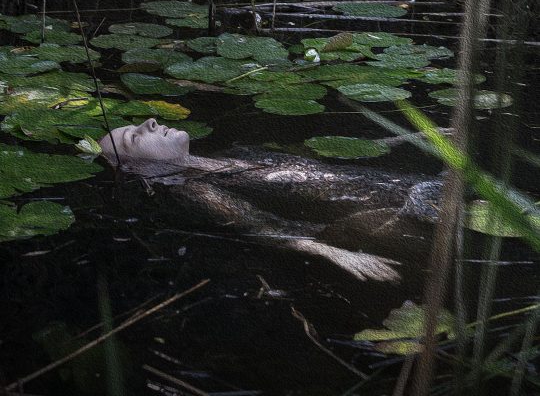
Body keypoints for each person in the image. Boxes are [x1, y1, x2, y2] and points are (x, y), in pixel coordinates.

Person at [99, 119, 441, 282]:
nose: (150, 122)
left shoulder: (233, 154)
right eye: (134, 136)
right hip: (391, 214)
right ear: (132, 166)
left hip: (404, 186)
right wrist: (336, 253)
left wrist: (408, 138)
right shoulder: (195, 189)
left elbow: (319, 161)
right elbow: (261, 226)